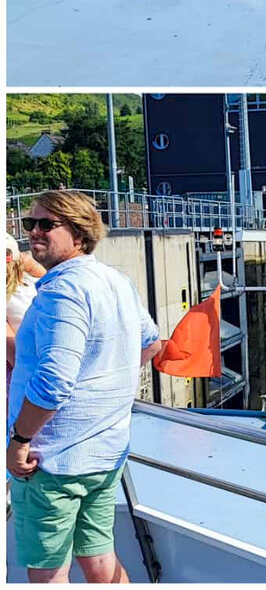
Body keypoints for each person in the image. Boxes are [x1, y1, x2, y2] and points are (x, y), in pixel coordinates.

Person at [7, 191, 162, 584]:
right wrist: (104, 377)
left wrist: (20, 440)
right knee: (99, 562)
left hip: (52, 462)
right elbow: (151, 344)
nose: (33, 233)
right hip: (105, 454)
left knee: (48, 573)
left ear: (79, 234)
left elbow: (54, 381)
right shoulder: (115, 280)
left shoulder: (62, 291)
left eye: (46, 225)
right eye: (31, 224)